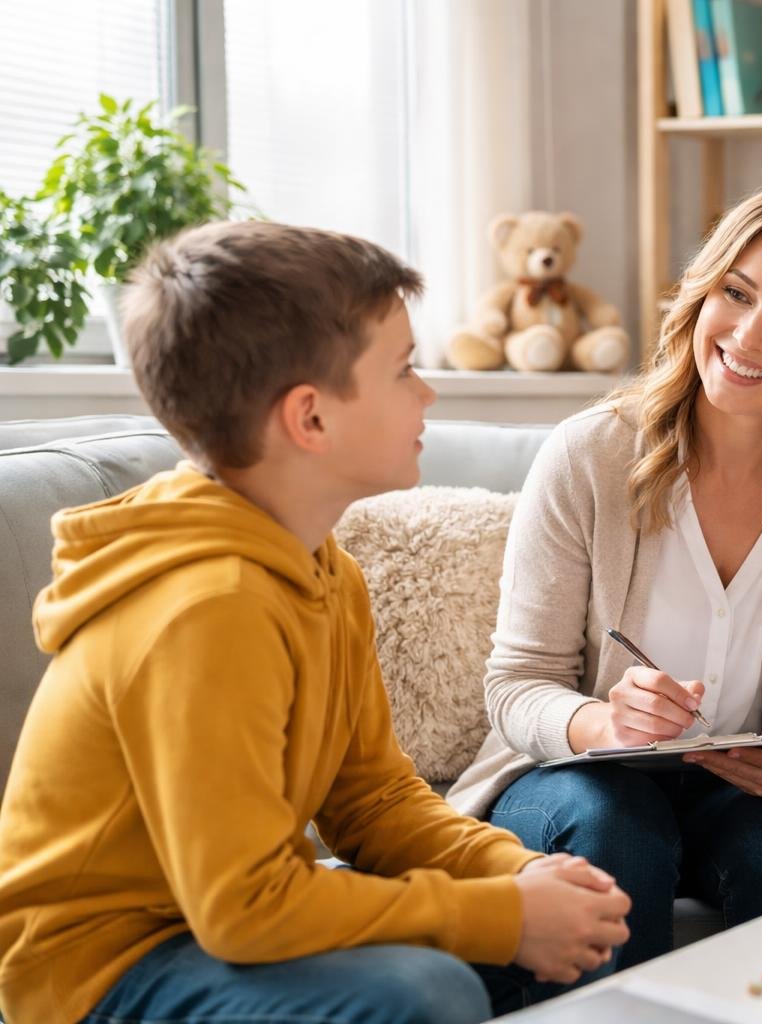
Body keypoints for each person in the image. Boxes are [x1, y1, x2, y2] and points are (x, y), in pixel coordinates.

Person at [0, 221, 630, 1024]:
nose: (427, 392)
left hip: (214, 926)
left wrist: (516, 875)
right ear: (311, 418)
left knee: (557, 932)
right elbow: (245, 909)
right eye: (402, 369)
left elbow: (373, 803)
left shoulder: (323, 570)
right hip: (100, 972)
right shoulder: (209, 609)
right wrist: (498, 916)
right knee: (428, 992)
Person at [447, 181, 762, 982]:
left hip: (756, 801)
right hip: (577, 785)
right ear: (702, 294)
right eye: (737, 294)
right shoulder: (588, 456)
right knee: (617, 822)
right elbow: (517, 686)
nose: (747, 335)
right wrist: (603, 724)